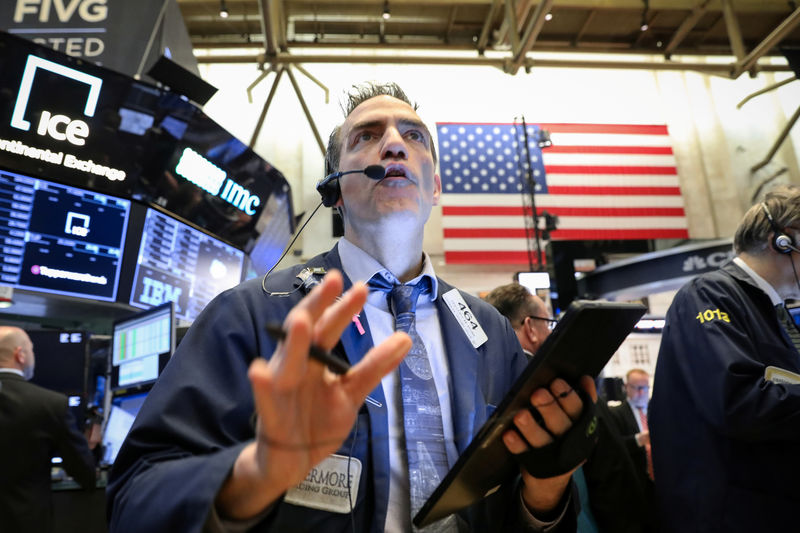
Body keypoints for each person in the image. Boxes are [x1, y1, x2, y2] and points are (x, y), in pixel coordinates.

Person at [107, 82, 598, 533]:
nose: (394, 144)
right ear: (335, 189)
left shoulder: (488, 329)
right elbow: (135, 496)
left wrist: (547, 489)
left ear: (435, 188)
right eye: (366, 136)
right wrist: (252, 476)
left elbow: (517, 507)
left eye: (414, 136)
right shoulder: (251, 313)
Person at [649, 185, 800, 532]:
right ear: (784, 240)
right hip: (731, 513)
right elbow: (737, 400)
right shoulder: (708, 295)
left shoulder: (771, 311)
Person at [486, 283, 647, 533]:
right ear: (531, 328)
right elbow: (613, 483)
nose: (553, 332)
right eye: (549, 323)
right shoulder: (567, 393)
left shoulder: (483, 398)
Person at [0, 326, 96, 533]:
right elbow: (85, 474)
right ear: (21, 355)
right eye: (32, 350)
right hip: (23, 524)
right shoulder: (50, 404)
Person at [606, 369, 654, 530]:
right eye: (637, 388)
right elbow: (613, 449)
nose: (642, 392)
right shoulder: (616, 413)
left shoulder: (656, 409)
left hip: (661, 480)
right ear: (626, 387)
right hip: (635, 482)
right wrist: (638, 440)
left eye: (645, 388)